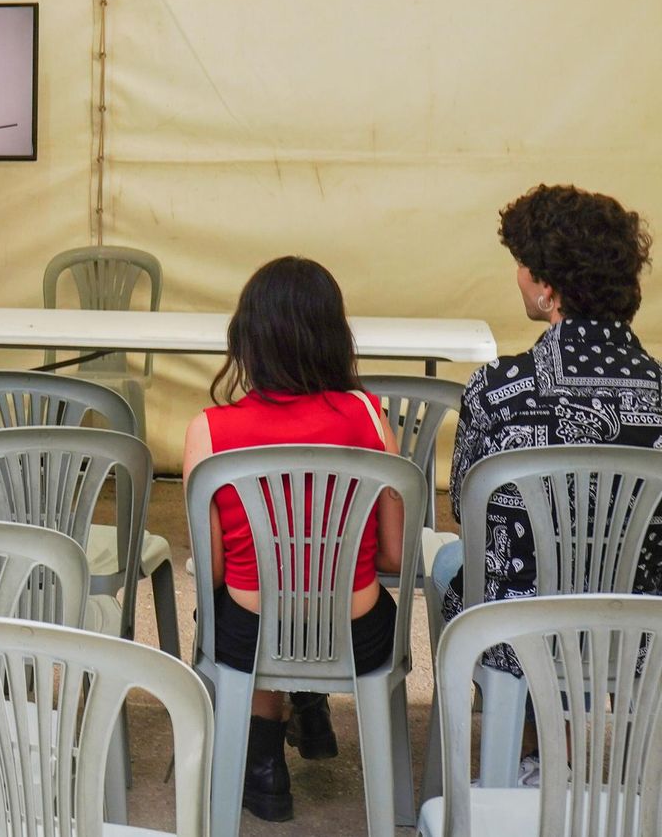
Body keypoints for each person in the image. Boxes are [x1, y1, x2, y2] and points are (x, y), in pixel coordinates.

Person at [183, 257, 402, 824]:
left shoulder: (210, 430)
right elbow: (394, 556)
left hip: (252, 636)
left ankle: (264, 769)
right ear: (334, 337)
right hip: (356, 637)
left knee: (243, 612)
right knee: (324, 602)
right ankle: (311, 702)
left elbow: (210, 573)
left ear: (245, 339)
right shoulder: (369, 417)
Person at [434, 185, 662, 679]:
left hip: (515, 636)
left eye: (522, 263)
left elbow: (466, 511)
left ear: (547, 288)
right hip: (640, 638)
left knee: (450, 560)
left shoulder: (499, 388)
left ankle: (524, 742)